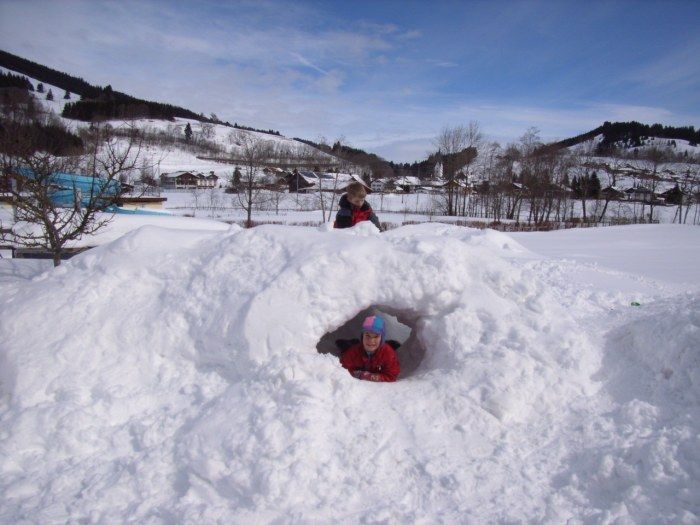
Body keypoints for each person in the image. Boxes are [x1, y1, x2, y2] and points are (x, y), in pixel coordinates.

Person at [339, 315, 400, 382]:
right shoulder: (354, 352)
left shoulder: (388, 354)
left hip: (382, 350)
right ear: (362, 336)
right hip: (356, 347)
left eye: (376, 336)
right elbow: (342, 368)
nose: (371, 340)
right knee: (346, 347)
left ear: (382, 338)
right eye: (367, 335)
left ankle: (391, 343)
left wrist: (373, 377)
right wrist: (357, 374)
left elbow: (392, 375)